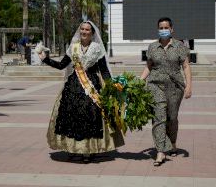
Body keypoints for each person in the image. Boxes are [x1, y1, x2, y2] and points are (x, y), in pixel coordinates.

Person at [38, 21, 124, 163]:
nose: (84, 32)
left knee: (90, 116)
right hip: (74, 86)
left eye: (87, 30)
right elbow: (61, 65)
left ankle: (87, 151)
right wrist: (45, 59)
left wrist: (112, 86)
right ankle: (72, 147)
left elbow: (104, 71)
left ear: (92, 33)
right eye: (82, 29)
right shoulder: (73, 47)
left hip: (92, 86)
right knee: (71, 115)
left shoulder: (97, 49)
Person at [140, 17, 192, 166]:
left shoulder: (179, 46)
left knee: (172, 117)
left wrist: (189, 86)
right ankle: (160, 152)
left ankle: (173, 142)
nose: (163, 30)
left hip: (175, 87)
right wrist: (140, 80)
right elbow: (148, 66)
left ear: (171, 29)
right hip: (155, 85)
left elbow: (186, 66)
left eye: (166, 27)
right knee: (159, 117)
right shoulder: (152, 47)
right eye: (161, 28)